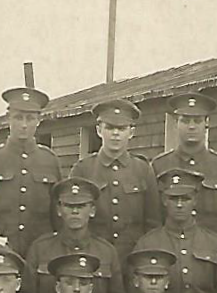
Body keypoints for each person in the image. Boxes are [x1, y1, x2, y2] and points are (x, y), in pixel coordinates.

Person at [17, 178, 125, 293]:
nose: (75, 211)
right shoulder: (40, 248)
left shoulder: (106, 251)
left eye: (81, 206)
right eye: (69, 206)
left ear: (92, 210)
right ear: (59, 210)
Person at [69, 99, 161, 264]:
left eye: (121, 128)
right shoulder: (83, 169)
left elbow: (153, 222)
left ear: (131, 132)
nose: (115, 134)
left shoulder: (143, 169)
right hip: (93, 258)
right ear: (99, 130)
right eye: (110, 128)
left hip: (133, 258)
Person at [0, 87, 62, 255]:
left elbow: (57, 212)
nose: (24, 124)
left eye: (30, 118)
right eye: (18, 118)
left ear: (38, 120)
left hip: (40, 250)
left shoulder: (50, 160)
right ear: (8, 118)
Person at [133, 169, 217, 293]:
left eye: (185, 198)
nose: (180, 205)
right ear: (164, 200)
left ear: (195, 200)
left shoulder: (214, 244)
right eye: (174, 199)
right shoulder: (147, 244)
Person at [152, 91, 217, 239]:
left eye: (197, 121)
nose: (191, 126)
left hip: (212, 253)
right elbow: (153, 216)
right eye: (185, 120)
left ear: (207, 123)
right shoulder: (159, 166)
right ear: (176, 124)